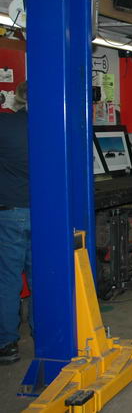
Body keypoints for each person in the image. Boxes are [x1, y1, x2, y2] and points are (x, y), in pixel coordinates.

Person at [0, 82, 31, 364]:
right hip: (48, 214)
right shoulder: (56, 127)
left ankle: (7, 344)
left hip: (11, 212)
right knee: (42, 277)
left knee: (9, 278)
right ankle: (45, 335)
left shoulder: (5, 124)